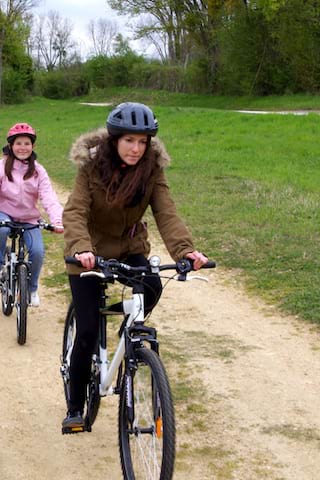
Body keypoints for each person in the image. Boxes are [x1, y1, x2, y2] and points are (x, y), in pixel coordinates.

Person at [61, 102, 209, 429]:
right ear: (114, 140)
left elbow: (166, 213)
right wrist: (82, 248)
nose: (136, 148)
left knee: (153, 286)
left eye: (143, 142)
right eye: (129, 140)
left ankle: (126, 329)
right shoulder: (92, 167)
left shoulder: (151, 170)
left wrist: (186, 252)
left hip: (129, 248)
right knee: (85, 330)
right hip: (89, 252)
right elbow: (74, 212)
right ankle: (74, 405)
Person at [0, 122, 64, 307]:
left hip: (29, 218)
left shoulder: (38, 171)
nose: (22, 148)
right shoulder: (0, 167)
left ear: (33, 146)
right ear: (10, 146)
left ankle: (31, 290)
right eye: (18, 143)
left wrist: (57, 221)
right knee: (2, 229)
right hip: (4, 212)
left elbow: (49, 196)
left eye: (27, 143)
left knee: (38, 252)